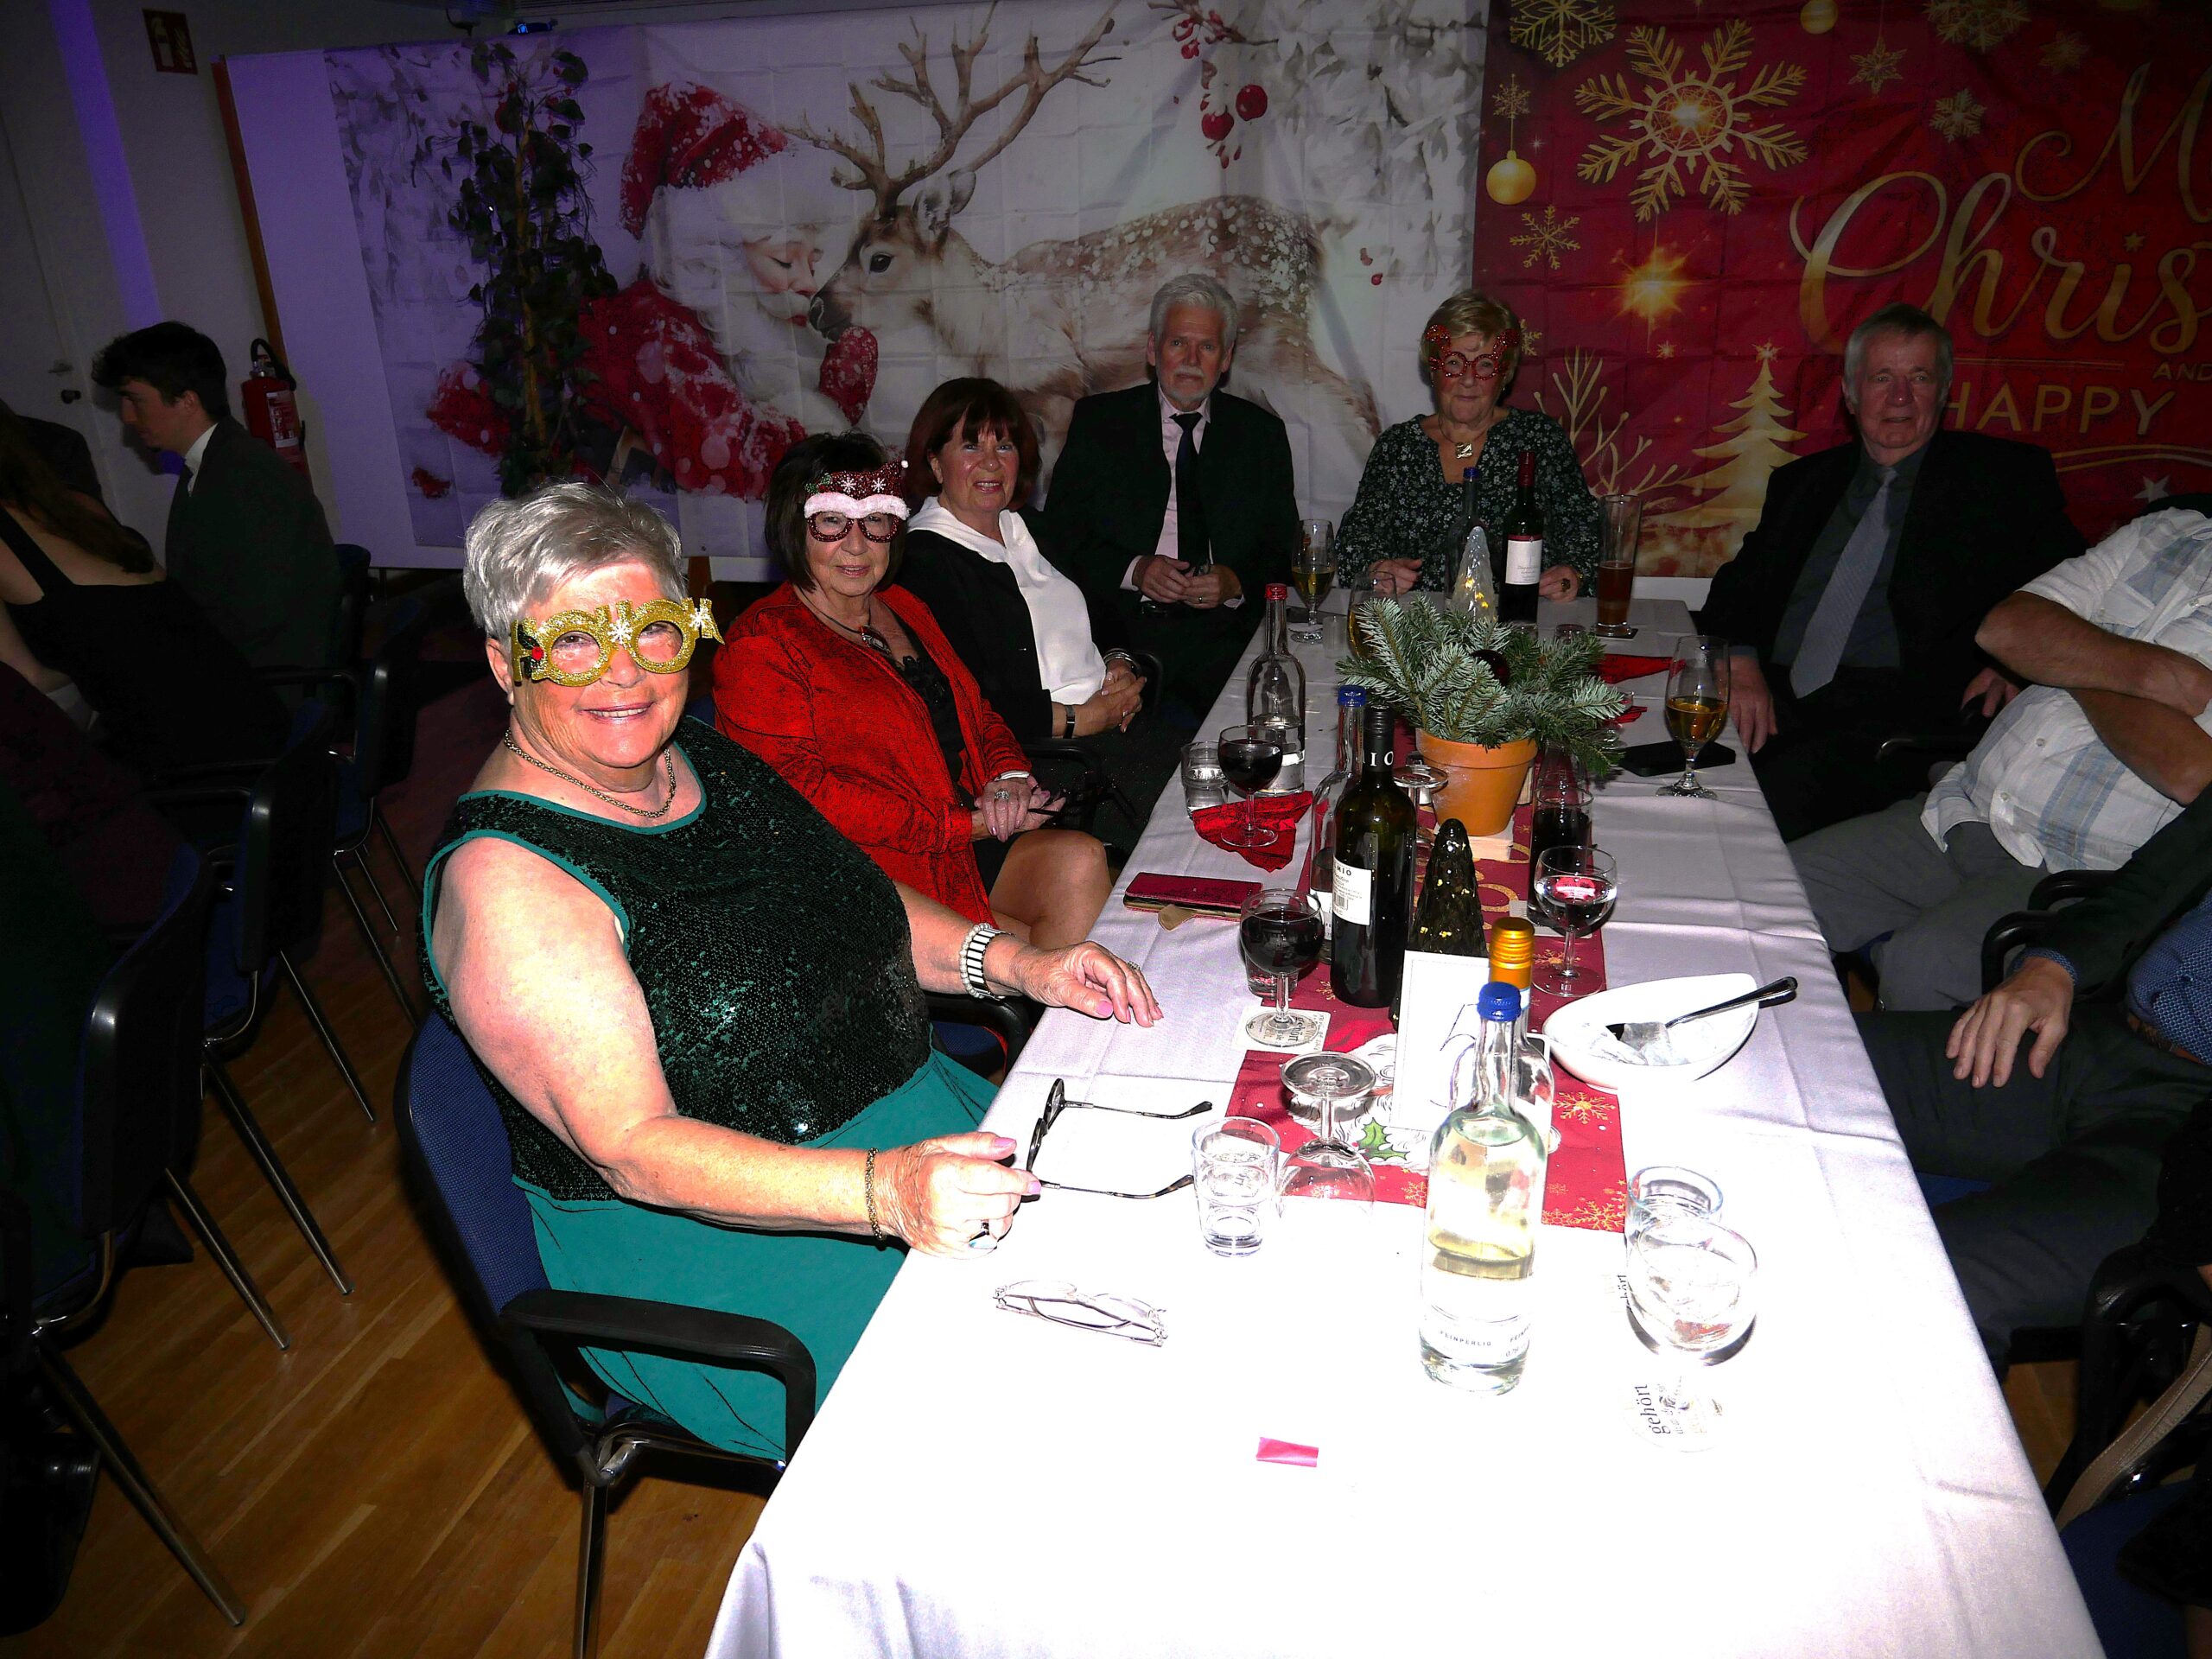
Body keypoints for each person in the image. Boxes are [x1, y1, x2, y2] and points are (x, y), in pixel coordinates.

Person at [425, 480, 1160, 1458]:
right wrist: (884, 1195)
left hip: (906, 1131)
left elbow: (854, 897)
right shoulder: (510, 887)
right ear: (504, 663)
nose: (625, 673)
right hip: (728, 1249)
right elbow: (635, 1150)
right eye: (571, 643)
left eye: (653, 631)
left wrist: (1019, 963)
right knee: (1071, 1411)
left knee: (1158, 1269)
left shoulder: (693, 756)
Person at [1796, 505, 2212, 1009]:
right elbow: (2004, 630)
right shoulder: (2167, 530)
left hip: (2079, 872)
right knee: (1776, 891)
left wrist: (2064, 657)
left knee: (1923, 965)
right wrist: (2152, 680)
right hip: (1961, 809)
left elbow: (2194, 772)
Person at [1858, 786, 2212, 1372]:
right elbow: (2151, 880)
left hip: (2189, 1137)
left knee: (1933, 1285)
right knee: (1795, 1061)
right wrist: (2055, 965)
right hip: (2098, 1036)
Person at [1700, 302, 2083, 842]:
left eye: (1919, 377)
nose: (1900, 397)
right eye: (1882, 378)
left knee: (1744, 817)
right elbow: (1736, 587)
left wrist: (2015, 663)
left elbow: (2074, 585)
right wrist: (1740, 663)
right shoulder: (1804, 483)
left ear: (1943, 391)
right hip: (1770, 694)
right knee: (1654, 773)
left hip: (1894, 716)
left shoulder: (2002, 480)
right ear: (1850, 394)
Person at [716, 432, 1112, 947]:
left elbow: (977, 711)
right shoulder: (764, 643)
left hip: (961, 835)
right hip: (869, 869)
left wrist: (1009, 776)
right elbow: (802, 796)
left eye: (876, 520)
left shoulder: (904, 606)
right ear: (794, 527)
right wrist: (961, 826)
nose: (857, 545)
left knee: (1083, 859)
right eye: (832, 521)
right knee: (1037, 953)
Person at [898, 378, 1187, 837]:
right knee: (1190, 818)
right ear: (934, 462)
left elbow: (1105, 610)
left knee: (1224, 773)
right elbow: (966, 701)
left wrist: (1119, 665)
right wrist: (1079, 720)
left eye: (1005, 446)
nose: (991, 462)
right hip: (1040, 761)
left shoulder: (1032, 528)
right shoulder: (922, 561)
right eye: (971, 446)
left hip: (1112, 730)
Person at [1042, 272, 1299, 718]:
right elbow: (1059, 539)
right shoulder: (1101, 424)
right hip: (1122, 636)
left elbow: (1284, 550)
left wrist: (1236, 581)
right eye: (1178, 343)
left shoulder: (1261, 435)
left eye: (1207, 347)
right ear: (1152, 349)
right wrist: (1135, 569)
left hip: (1231, 639)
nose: (1191, 360)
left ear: (1226, 359)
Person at [0, 404, 286, 775]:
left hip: (203, 764)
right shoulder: (76, 505)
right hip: (266, 732)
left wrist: (82, 672)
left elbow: (28, 680)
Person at [90, 321, 341, 671]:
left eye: (135, 400)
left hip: (272, 677)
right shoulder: (215, 463)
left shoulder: (245, 476)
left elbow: (261, 613)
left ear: (187, 401)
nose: (127, 416)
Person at [1334, 289, 1599, 600]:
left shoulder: (1538, 439)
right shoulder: (1398, 446)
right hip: (1415, 622)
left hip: (1518, 620)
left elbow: (1587, 533)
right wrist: (1377, 568)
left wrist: (1575, 573)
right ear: (1433, 369)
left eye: (1485, 365)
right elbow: (1356, 539)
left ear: (1504, 374)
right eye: (1454, 363)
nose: (1469, 379)